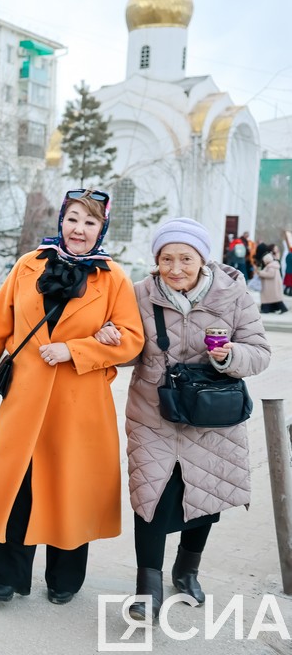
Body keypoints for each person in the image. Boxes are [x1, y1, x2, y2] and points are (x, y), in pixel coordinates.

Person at [0, 189, 144, 605]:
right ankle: (5, 577)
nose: (79, 229)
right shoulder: (29, 265)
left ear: (101, 229)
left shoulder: (113, 278)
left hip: (78, 404)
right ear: (61, 221)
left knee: (70, 487)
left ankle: (64, 579)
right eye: (73, 218)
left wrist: (78, 349)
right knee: (16, 486)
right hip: (24, 398)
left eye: (90, 222)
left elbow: (133, 341)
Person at [92, 218, 270, 621]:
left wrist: (230, 357)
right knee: (150, 496)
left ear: (202, 259)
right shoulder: (139, 294)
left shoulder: (234, 295)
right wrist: (112, 341)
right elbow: (130, 351)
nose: (175, 268)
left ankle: (187, 569)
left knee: (206, 492)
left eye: (185, 258)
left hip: (211, 413)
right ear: (156, 261)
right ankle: (147, 587)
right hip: (153, 413)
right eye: (166, 259)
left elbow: (259, 351)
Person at [256, 243, 289, 313]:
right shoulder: (273, 264)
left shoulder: (271, 266)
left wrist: (260, 273)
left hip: (271, 285)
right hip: (272, 285)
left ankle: (272, 309)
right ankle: (269, 309)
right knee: (273, 298)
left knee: (272, 297)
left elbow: (271, 274)